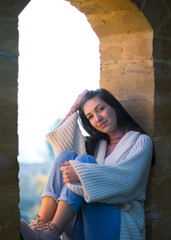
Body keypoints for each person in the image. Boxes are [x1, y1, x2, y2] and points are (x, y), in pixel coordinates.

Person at [20, 88, 153, 240]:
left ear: (114, 106)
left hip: (118, 225)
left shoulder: (141, 141)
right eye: (90, 116)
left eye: (100, 109)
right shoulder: (97, 146)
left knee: (85, 161)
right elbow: (62, 147)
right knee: (66, 156)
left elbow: (129, 182)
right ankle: (41, 228)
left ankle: (50, 233)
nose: (97, 118)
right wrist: (74, 108)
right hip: (86, 226)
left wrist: (82, 174)